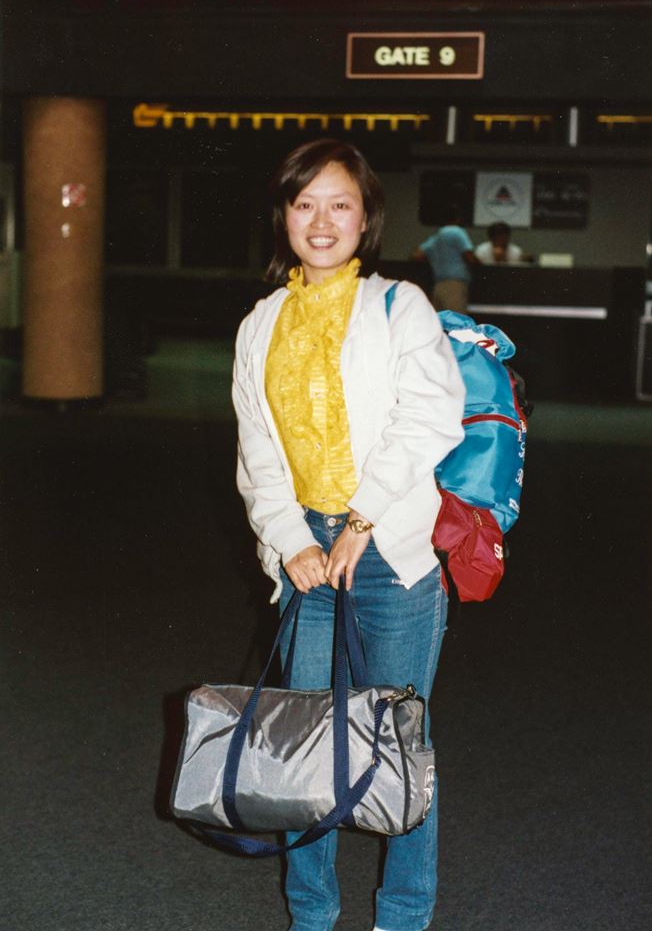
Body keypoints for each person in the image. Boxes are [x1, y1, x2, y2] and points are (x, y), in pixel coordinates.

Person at [232, 138, 465, 931]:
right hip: (305, 558)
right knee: (306, 750)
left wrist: (361, 519)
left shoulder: (401, 306)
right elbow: (257, 450)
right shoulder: (262, 323)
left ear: (366, 219)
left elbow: (429, 417)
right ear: (285, 217)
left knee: (399, 744)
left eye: (340, 204)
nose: (322, 220)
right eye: (305, 204)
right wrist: (289, 538)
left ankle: (403, 915)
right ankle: (311, 913)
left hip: (390, 553)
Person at [411, 205, 479, 314]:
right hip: (455, 285)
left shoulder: (436, 236)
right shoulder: (457, 231)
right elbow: (469, 257)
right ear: (458, 218)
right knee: (457, 324)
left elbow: (416, 255)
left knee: (440, 324)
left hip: (438, 286)